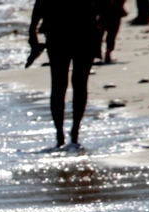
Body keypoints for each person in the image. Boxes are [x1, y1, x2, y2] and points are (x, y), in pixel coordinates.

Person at [28, 0, 102, 147]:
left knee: (59, 85)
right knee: (79, 84)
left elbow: (40, 6)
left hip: (58, 34)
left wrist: (33, 32)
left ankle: (60, 134)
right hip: (85, 33)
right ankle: (74, 132)